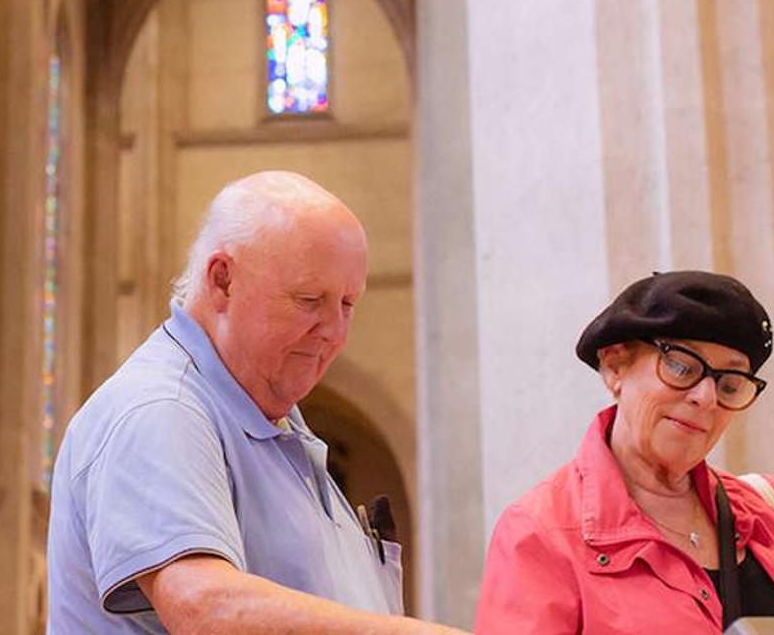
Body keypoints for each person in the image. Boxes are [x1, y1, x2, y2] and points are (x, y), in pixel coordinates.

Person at [47, 171, 464, 634]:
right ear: (223, 280)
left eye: (348, 304)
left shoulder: (275, 424)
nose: (336, 332)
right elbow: (203, 608)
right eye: (310, 300)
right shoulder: (160, 408)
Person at [475, 271, 774, 633]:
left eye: (729, 384)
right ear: (615, 364)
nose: (705, 398)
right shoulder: (540, 534)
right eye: (681, 366)